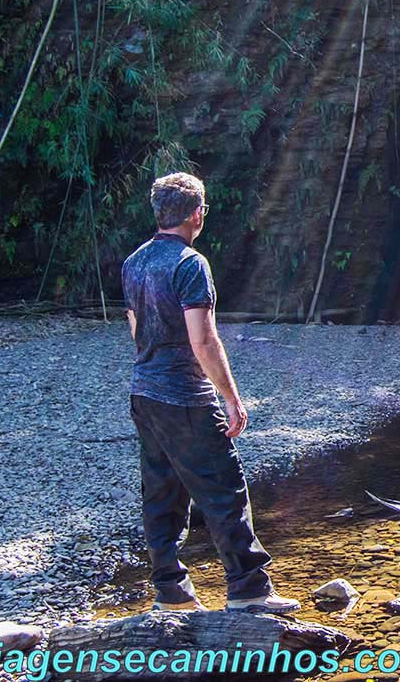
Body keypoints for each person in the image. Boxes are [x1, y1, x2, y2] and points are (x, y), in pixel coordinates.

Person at [120, 172, 299, 615]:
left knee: (162, 493)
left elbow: (136, 330)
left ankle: (171, 592)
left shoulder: (134, 263)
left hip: (145, 393)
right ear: (197, 213)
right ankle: (249, 590)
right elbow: (203, 339)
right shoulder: (190, 263)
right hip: (186, 396)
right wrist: (232, 398)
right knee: (224, 491)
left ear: (159, 212)